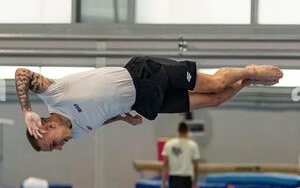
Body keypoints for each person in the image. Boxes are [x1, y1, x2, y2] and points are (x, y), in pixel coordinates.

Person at [15, 56, 283, 152]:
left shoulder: (53, 94)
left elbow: (22, 74)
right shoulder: (81, 132)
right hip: (143, 102)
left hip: (144, 74)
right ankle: (249, 80)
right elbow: (100, 116)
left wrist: (27, 110)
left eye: (54, 144)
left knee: (213, 84)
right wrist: (122, 117)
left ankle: (251, 70)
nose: (61, 147)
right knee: (215, 100)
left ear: (47, 126)